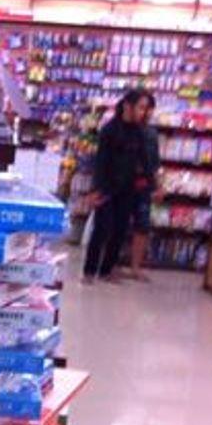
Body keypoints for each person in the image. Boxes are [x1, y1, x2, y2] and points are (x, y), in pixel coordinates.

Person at [82, 91, 151, 284]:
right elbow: (100, 161)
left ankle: (106, 270)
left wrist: (150, 182)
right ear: (128, 106)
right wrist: (96, 189)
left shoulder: (139, 132)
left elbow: (144, 160)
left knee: (120, 230)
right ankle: (89, 271)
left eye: (145, 108)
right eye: (141, 107)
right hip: (106, 187)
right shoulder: (109, 130)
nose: (143, 112)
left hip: (128, 188)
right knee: (101, 229)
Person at [127, 93, 162, 282]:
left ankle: (135, 267)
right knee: (117, 224)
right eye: (142, 107)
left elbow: (155, 163)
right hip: (123, 184)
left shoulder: (151, 134)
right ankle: (110, 264)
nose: (145, 112)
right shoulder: (123, 129)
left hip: (143, 186)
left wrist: (158, 186)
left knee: (142, 226)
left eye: (149, 109)